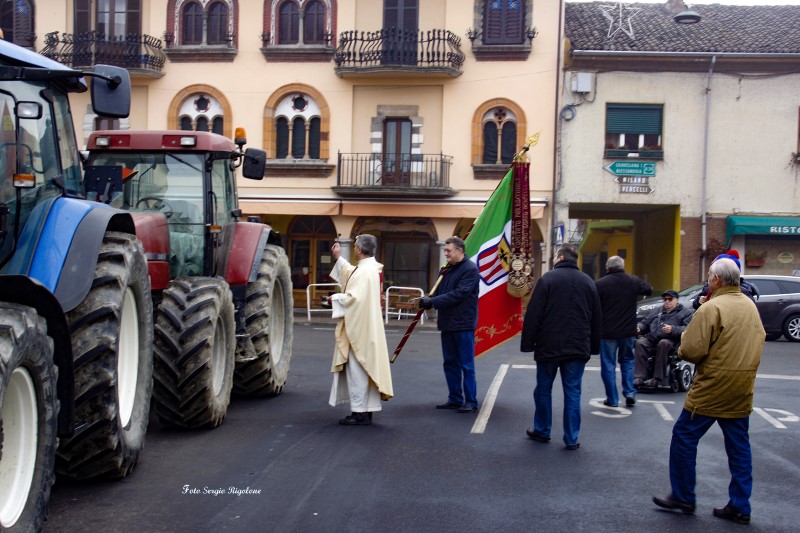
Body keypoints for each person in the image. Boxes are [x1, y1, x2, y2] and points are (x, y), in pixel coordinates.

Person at [653, 258, 764, 525]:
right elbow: (759, 339)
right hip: (742, 386)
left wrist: (682, 346)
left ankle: (683, 496)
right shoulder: (749, 305)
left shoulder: (711, 307)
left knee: (684, 436)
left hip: (712, 385)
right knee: (739, 447)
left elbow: (691, 350)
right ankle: (740, 505)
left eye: (709, 277)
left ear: (716, 280)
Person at [520, 243, 602, 450]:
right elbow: (596, 318)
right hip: (577, 346)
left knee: (543, 390)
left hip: (549, 345)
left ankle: (542, 429)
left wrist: (528, 343)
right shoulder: (588, 282)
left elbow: (534, 314)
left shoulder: (547, 279)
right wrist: (593, 347)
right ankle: (572, 438)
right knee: (573, 392)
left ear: (560, 258)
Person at [328, 234, 393, 426]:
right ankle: (367, 410)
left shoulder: (365, 271)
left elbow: (355, 299)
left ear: (359, 249)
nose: (354, 250)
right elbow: (350, 273)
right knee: (366, 370)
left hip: (360, 330)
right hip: (368, 327)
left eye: (355, 247)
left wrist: (336, 298)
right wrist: (338, 258)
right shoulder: (370, 268)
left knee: (358, 371)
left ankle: (358, 413)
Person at [419, 236, 480, 413]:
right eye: (445, 250)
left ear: (460, 251)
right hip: (447, 322)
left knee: (466, 365)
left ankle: (471, 401)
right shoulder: (445, 270)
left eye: (448, 251)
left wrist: (433, 302)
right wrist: (427, 299)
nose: (445, 254)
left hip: (463, 323)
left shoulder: (470, 269)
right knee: (450, 363)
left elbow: (459, 294)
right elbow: (438, 291)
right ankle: (454, 398)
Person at [595, 256, 652, 407]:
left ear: (607, 268)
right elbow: (648, 289)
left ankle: (612, 399)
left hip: (607, 332)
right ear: (623, 266)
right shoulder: (632, 281)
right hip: (628, 331)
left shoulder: (600, 284)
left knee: (608, 365)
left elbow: (593, 304)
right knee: (627, 361)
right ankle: (629, 392)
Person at [633, 290, 693, 388]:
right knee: (640, 342)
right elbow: (645, 322)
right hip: (654, 338)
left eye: (670, 299)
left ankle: (657, 378)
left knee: (663, 343)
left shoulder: (685, 313)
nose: (667, 301)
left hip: (672, 341)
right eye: (665, 299)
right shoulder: (658, 310)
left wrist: (672, 329)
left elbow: (687, 329)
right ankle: (639, 377)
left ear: (676, 300)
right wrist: (639, 327)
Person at [693, 250, 759, 309]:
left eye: (711, 273)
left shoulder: (743, 293)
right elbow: (695, 305)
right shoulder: (708, 289)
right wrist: (699, 301)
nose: (709, 279)